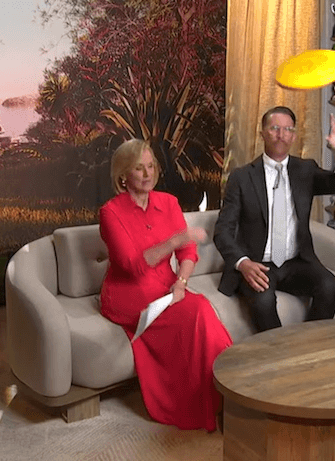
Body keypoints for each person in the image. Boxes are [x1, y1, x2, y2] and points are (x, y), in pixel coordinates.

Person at [99, 138, 233, 432]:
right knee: (198, 312)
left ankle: (229, 392)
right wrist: (174, 240)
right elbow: (133, 266)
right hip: (129, 297)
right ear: (123, 175)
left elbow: (188, 252)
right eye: (139, 168)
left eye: (151, 166)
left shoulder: (168, 202)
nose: (147, 174)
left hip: (167, 289)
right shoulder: (110, 213)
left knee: (201, 311)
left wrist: (181, 283)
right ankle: (222, 398)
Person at [213, 106, 335, 332]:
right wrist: (243, 263)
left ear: (294, 136)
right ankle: (279, 351)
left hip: (295, 262)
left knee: (330, 285)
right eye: (274, 128)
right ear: (262, 133)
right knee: (263, 301)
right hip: (257, 263)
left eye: (288, 129)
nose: (281, 135)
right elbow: (223, 231)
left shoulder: (305, 170)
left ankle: (306, 346)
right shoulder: (242, 177)